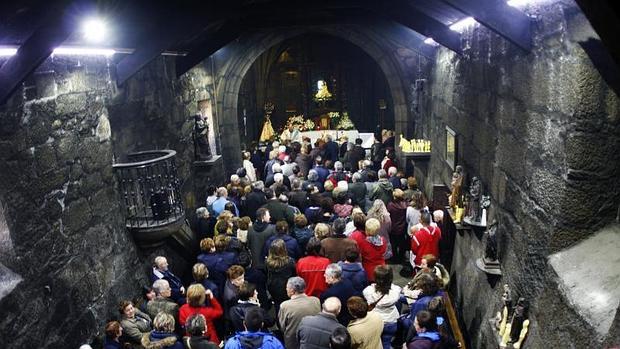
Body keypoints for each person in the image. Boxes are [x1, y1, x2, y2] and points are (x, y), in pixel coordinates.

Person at [362, 265, 402, 349]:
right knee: (386, 343)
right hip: (391, 320)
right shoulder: (396, 291)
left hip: (375, 321)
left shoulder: (368, 291)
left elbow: (365, 293)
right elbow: (396, 289)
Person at [278, 277, 321, 349]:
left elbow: (282, 327)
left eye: (287, 287)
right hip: (312, 339)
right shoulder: (316, 300)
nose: (286, 289)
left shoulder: (285, 305)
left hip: (293, 343)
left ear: (292, 291)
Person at [265, 239, 297, 311]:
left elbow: (266, 274)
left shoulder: (267, 262)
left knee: (277, 306)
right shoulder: (290, 262)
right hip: (286, 287)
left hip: (273, 287)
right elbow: (294, 274)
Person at [387, 189, 408, 264]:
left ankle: (395, 258)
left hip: (393, 227)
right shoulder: (406, 205)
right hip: (402, 228)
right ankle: (401, 257)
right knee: (402, 244)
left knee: (394, 245)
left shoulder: (390, 205)